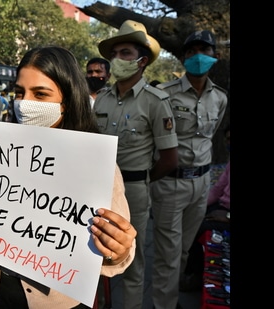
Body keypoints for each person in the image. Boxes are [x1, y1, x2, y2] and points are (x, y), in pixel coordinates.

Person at [0, 45, 137, 308]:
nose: (25, 103)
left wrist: (117, 251)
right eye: (20, 92)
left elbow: (117, 256)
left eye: (40, 94)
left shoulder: (97, 165)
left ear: (68, 99)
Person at [94, 20, 179, 309]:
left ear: (142, 61)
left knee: (130, 260)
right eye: (115, 53)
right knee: (95, 253)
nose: (117, 59)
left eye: (125, 53)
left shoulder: (156, 101)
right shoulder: (102, 99)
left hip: (134, 189)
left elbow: (169, 158)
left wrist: (141, 180)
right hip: (97, 188)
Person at [150, 30, 228, 309]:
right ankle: (164, 305)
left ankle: (171, 297)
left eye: (204, 50)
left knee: (183, 250)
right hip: (171, 183)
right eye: (191, 51)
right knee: (167, 254)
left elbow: (210, 135)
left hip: (202, 183)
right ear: (183, 57)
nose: (198, 56)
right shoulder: (164, 95)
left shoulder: (220, 98)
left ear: (214, 56)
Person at [180, 124, 230, 292]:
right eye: (227, 139)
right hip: (221, 206)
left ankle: (196, 276)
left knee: (199, 229)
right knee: (191, 219)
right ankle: (189, 272)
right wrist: (197, 206)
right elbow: (217, 189)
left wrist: (228, 216)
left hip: (227, 214)